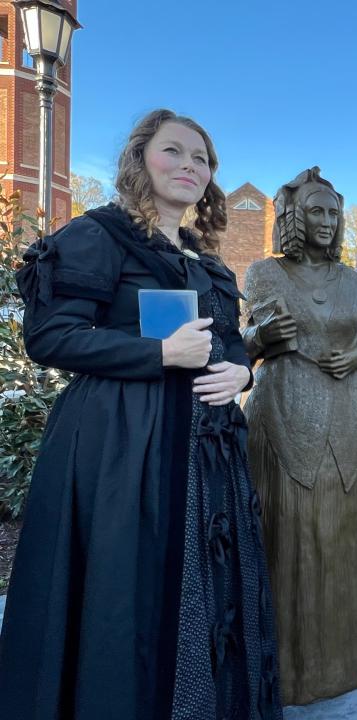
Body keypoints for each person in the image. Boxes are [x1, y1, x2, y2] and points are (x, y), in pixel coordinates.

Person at [0, 110, 281, 719]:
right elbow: (50, 336)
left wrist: (242, 372)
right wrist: (157, 353)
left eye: (201, 158)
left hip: (207, 453)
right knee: (128, 590)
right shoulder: (98, 235)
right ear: (139, 160)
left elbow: (228, 343)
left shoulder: (208, 262)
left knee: (204, 590)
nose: (189, 166)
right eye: (173, 151)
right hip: (122, 449)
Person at [243, 168, 357, 703]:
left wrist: (355, 355)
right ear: (293, 218)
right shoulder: (264, 273)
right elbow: (246, 345)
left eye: (333, 213)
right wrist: (259, 336)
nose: (326, 222)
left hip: (352, 416)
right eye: (315, 211)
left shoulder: (350, 278)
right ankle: (296, 669)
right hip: (286, 417)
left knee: (351, 535)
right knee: (295, 537)